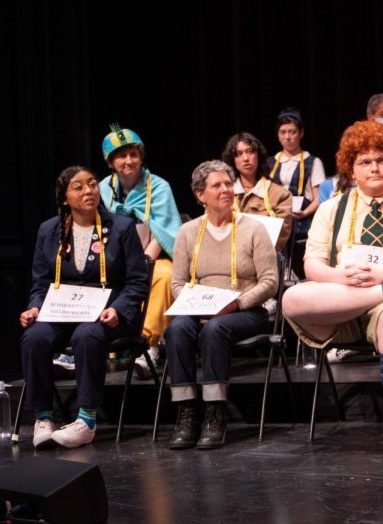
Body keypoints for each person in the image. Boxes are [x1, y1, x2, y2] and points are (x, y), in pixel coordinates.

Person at [282, 121, 383, 457]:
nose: (374, 167)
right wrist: (345, 277)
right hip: (343, 303)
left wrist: (382, 274)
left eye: (382, 160)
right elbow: (312, 266)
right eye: (364, 162)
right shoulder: (331, 208)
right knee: (291, 298)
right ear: (351, 169)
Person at [20, 166, 149, 448]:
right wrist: (34, 308)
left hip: (108, 314)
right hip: (63, 312)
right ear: (65, 197)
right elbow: (40, 283)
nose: (89, 190)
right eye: (78, 187)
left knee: (87, 335)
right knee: (34, 337)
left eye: (92, 184)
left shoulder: (121, 227)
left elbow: (137, 281)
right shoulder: (49, 231)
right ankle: (43, 416)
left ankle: (87, 419)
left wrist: (119, 309)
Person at [164, 161, 279, 449]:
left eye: (228, 184)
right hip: (199, 309)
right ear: (199, 194)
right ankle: (187, 412)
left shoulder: (253, 229)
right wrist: (195, 305)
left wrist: (236, 303)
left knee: (215, 330)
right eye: (217, 185)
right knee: (177, 328)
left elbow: (269, 281)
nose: (226, 189)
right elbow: (177, 283)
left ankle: (215, 414)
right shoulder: (188, 232)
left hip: (244, 310)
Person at [99, 124, 182, 370]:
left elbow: (166, 230)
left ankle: (148, 346)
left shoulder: (159, 187)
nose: (129, 160)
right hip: (115, 258)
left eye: (134, 154)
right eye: (122, 156)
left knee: (164, 275)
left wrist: (143, 261)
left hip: (151, 254)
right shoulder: (102, 189)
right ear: (110, 162)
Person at [222, 132, 294, 252]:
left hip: (263, 258)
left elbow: (279, 240)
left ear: (258, 155)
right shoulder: (223, 193)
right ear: (232, 160)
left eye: (250, 152)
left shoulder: (280, 195)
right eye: (239, 154)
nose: (245, 158)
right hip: (226, 256)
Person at [267, 108, 326, 243]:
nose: (287, 137)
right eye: (283, 132)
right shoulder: (270, 163)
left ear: (301, 133)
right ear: (278, 134)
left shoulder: (312, 162)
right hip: (276, 222)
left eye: (292, 132)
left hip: (303, 222)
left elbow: (319, 198)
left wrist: (304, 213)